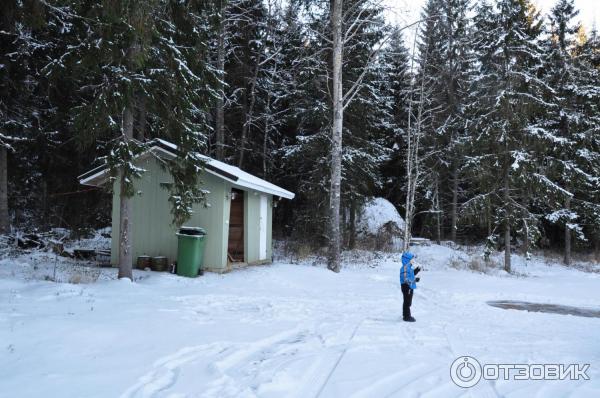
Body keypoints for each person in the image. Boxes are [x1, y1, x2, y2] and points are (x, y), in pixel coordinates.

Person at [399, 251, 421, 322]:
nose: (413, 261)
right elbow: (406, 279)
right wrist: (415, 280)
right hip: (406, 287)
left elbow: (411, 274)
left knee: (408, 302)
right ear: (407, 260)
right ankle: (406, 317)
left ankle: (406, 314)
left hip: (409, 286)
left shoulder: (409, 268)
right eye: (411, 259)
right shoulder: (405, 268)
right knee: (407, 302)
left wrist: (416, 270)